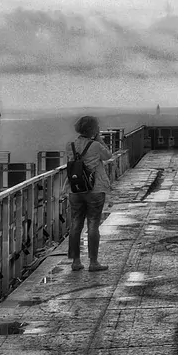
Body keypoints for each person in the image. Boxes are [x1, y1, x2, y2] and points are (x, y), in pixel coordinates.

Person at [67, 115, 113, 272]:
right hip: (94, 189)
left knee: (75, 224)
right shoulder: (95, 145)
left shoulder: (71, 145)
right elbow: (108, 156)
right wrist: (99, 139)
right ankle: (93, 262)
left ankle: (75, 261)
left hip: (75, 189)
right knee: (93, 224)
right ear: (93, 129)